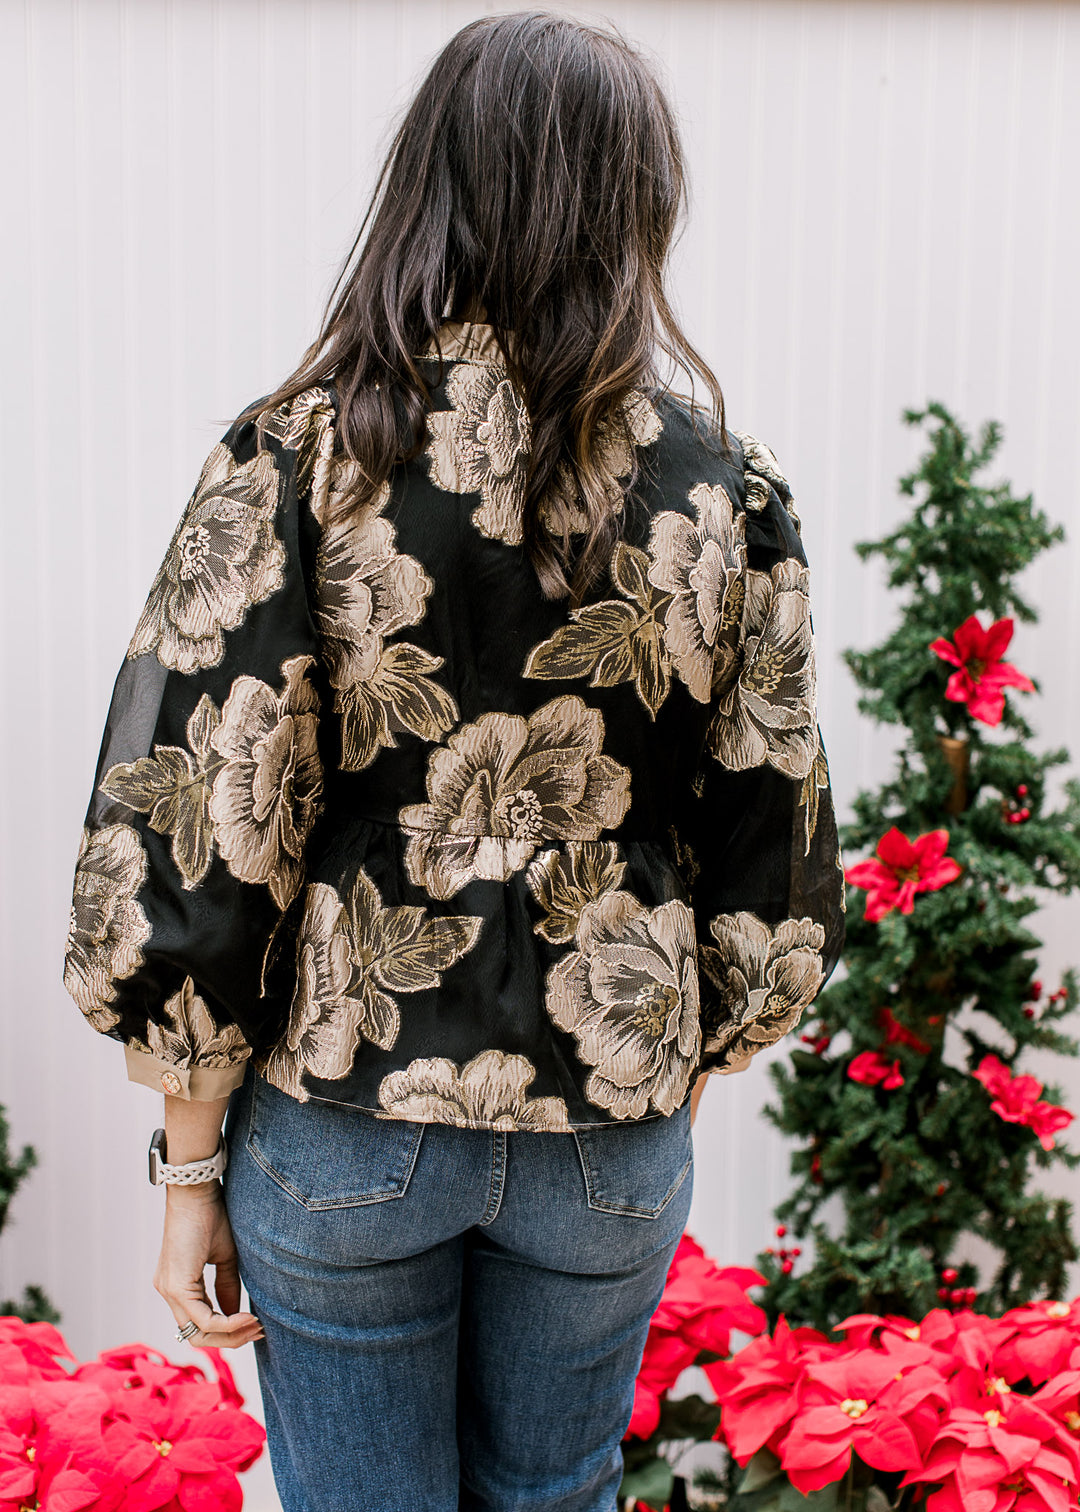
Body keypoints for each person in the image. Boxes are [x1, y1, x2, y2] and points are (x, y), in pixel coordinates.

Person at [63, 11, 845, 1511]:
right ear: (634, 205)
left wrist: (186, 1175)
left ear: (431, 182)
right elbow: (774, 836)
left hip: (347, 1117)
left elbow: (199, 826)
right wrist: (681, 1061)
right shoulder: (725, 489)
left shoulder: (297, 456)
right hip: (609, 1129)